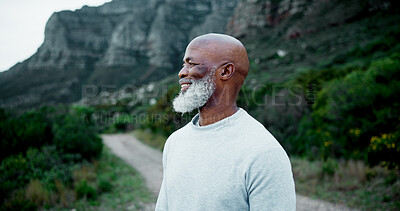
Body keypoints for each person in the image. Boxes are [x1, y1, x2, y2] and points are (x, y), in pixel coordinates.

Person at [155, 33, 296, 210]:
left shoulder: (264, 153)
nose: (182, 72)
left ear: (225, 71)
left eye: (192, 64)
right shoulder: (175, 142)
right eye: (184, 64)